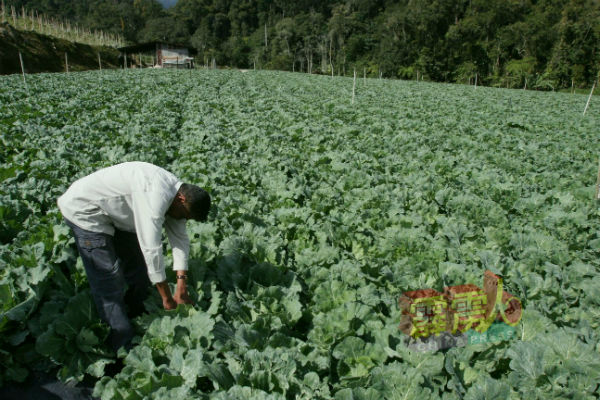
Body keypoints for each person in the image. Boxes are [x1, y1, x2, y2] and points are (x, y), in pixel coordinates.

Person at [57, 161, 211, 352]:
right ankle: (122, 344)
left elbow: (180, 242)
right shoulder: (156, 196)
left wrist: (181, 286)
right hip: (86, 211)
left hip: (118, 215)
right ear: (180, 199)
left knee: (138, 268)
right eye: (185, 215)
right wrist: (166, 298)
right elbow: (151, 248)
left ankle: (137, 311)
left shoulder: (178, 203)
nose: (183, 220)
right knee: (108, 280)